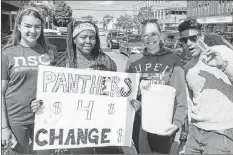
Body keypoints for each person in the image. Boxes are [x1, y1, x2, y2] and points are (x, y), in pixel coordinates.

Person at [53, 20, 125, 154]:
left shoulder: (106, 62)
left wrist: (128, 102)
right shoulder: (64, 64)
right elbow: (54, 96)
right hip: (77, 128)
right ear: (74, 39)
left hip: (104, 125)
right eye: (83, 37)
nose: (88, 41)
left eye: (92, 37)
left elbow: (116, 94)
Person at [125, 19, 188, 154]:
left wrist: (177, 123)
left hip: (163, 121)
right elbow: (126, 93)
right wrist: (131, 102)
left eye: (153, 34)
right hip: (139, 121)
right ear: (141, 37)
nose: (149, 38)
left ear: (160, 34)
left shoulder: (174, 59)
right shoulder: (133, 60)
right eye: (145, 35)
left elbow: (181, 97)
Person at [1, 6, 57, 154]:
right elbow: (0, 93)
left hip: (45, 117)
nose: (32, 31)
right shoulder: (7, 54)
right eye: (28, 26)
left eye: (37, 27)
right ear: (18, 27)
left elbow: (57, 87)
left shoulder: (50, 52)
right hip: (17, 119)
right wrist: (4, 128)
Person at [177, 18, 233, 154]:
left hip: (220, 133)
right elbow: (190, 104)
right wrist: (186, 136)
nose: (189, 44)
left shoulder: (223, 53)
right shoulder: (188, 68)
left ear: (201, 36)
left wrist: (223, 66)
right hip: (194, 134)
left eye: (193, 38)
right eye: (184, 40)